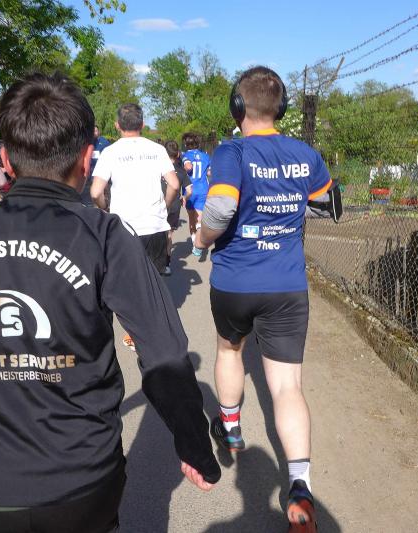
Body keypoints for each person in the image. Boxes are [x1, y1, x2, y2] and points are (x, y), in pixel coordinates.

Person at [0, 73, 220, 533]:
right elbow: (164, 350)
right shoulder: (105, 234)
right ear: (87, 158)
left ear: (5, 159)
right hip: (82, 488)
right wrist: (193, 444)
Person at [196, 66, 333, 533]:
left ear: (238, 107)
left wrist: (202, 239)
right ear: (283, 108)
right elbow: (327, 205)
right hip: (286, 285)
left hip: (236, 282)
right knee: (288, 387)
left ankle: (230, 427)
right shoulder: (305, 153)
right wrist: (286, 213)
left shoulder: (231, 151)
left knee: (229, 351)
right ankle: (299, 487)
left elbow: (220, 208)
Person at [90, 103, 180, 351]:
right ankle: (156, 327)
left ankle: (134, 332)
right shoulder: (157, 149)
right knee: (155, 279)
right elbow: (174, 184)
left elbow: (96, 191)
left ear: (117, 125)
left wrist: (105, 209)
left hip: (125, 226)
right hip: (155, 223)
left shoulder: (110, 152)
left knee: (129, 281)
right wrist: (165, 205)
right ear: (142, 124)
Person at [163, 140, 191, 275]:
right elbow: (189, 190)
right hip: (174, 205)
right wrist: (184, 197)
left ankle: (153, 261)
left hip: (158, 204)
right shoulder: (181, 171)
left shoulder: (158, 168)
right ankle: (166, 264)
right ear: (178, 154)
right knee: (169, 234)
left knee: (157, 233)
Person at [181, 133, 211, 257]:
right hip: (203, 189)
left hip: (190, 190)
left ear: (185, 144)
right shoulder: (205, 156)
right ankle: (198, 244)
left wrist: (184, 168)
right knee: (199, 219)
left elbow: (188, 167)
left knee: (191, 218)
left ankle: (194, 241)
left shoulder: (185, 155)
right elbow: (209, 173)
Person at [80, 125, 111, 206]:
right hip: (87, 176)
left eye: (96, 131)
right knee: (87, 200)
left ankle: (104, 206)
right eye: (92, 131)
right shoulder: (84, 143)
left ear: (99, 132)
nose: (94, 133)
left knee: (100, 196)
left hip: (100, 176)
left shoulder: (104, 142)